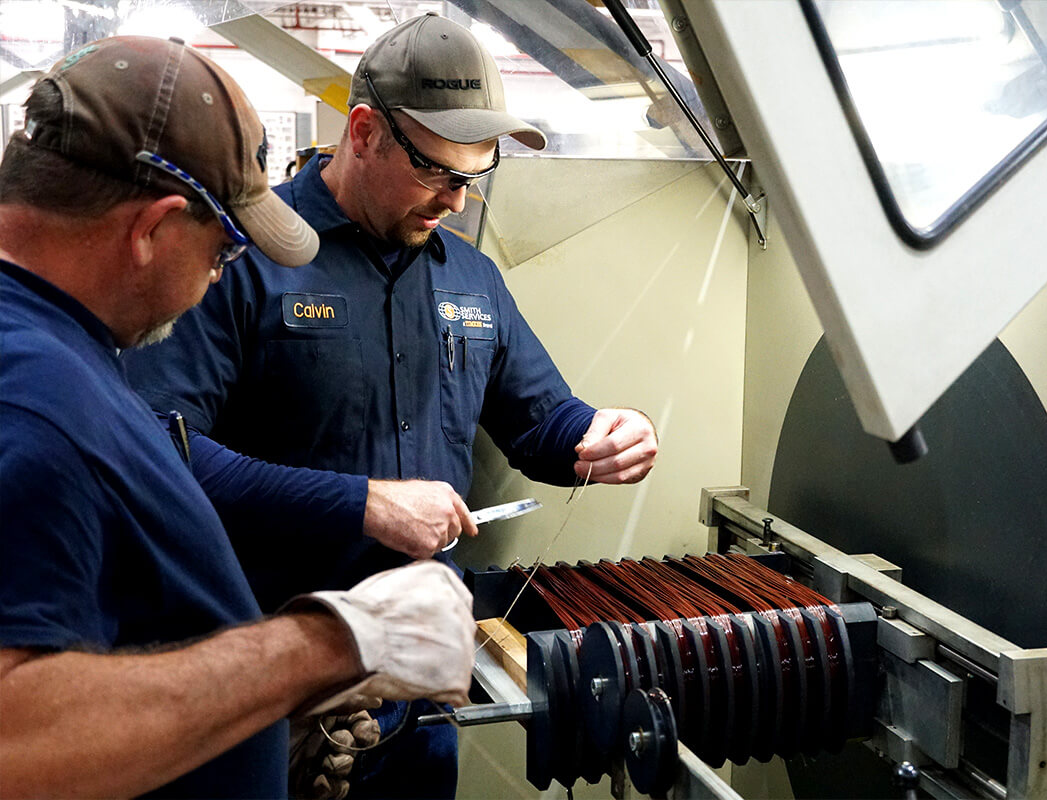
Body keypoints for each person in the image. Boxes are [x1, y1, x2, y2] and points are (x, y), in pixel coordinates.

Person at [123, 12, 658, 798]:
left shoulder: (472, 280)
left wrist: (607, 436)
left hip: (416, 707)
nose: (455, 200)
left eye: (474, 178)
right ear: (365, 132)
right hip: (270, 699)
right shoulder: (242, 261)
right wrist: (360, 505)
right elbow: (159, 459)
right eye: (436, 172)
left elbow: (542, 424)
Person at [0, 36, 475, 800]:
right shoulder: (35, 405)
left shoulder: (58, 350)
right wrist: (328, 644)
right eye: (224, 252)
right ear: (151, 230)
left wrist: (254, 715)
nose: (219, 278)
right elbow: (15, 739)